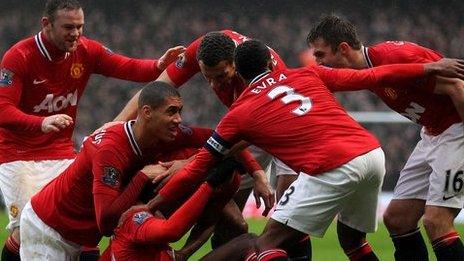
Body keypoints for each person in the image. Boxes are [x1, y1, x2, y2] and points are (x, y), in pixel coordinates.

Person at [145, 40, 460, 261]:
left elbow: (202, 165)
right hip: (371, 155)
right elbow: (373, 75)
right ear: (271, 62)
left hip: (333, 165)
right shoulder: (307, 73)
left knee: (266, 242)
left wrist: (155, 202)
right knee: (351, 239)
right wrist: (426, 68)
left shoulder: (239, 112)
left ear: (238, 73)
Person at [0, 0, 184, 259]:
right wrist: (40, 123)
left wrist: (158, 65)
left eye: (80, 26)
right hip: (20, 156)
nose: (75, 33)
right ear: (46, 25)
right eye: (68, 27)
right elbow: (2, 109)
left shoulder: (86, 50)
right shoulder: (19, 56)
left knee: (83, 226)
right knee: (29, 229)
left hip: (62, 153)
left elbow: (126, 66)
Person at [19, 82, 258, 260]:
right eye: (171, 111)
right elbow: (106, 222)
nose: (178, 119)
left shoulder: (167, 135)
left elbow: (222, 137)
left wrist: (257, 173)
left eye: (180, 111)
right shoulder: (111, 150)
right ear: (146, 112)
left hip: (84, 235)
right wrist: (142, 176)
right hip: (50, 229)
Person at [306, 15, 464, 261]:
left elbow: (456, 86)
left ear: (344, 49)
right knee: (397, 219)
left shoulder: (394, 57)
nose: (318, 62)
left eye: (320, 55)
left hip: (457, 130)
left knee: (436, 221)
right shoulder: (367, 71)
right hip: (432, 132)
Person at [114, 30, 277, 249]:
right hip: (241, 135)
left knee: (248, 225)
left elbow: (243, 136)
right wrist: (115, 126)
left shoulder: (258, 76)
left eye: (220, 76)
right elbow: (153, 89)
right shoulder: (203, 49)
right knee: (233, 225)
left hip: (279, 131)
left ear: (235, 64)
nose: (214, 85)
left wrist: (189, 164)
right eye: (206, 76)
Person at [100, 157, 244, 261]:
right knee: (246, 242)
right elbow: (171, 231)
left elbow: (209, 221)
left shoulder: (156, 247)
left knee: (243, 240)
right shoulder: (135, 218)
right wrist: (209, 185)